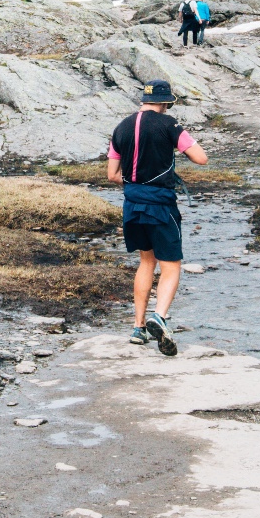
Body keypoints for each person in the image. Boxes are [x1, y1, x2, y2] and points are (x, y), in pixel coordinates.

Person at [106, 80, 208, 355]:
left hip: (132, 205)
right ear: (165, 102)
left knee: (145, 261)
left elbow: (113, 175)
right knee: (171, 264)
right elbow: (201, 158)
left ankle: (138, 328)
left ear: (144, 99)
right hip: (161, 205)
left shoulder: (121, 127)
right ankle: (159, 317)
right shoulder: (169, 125)